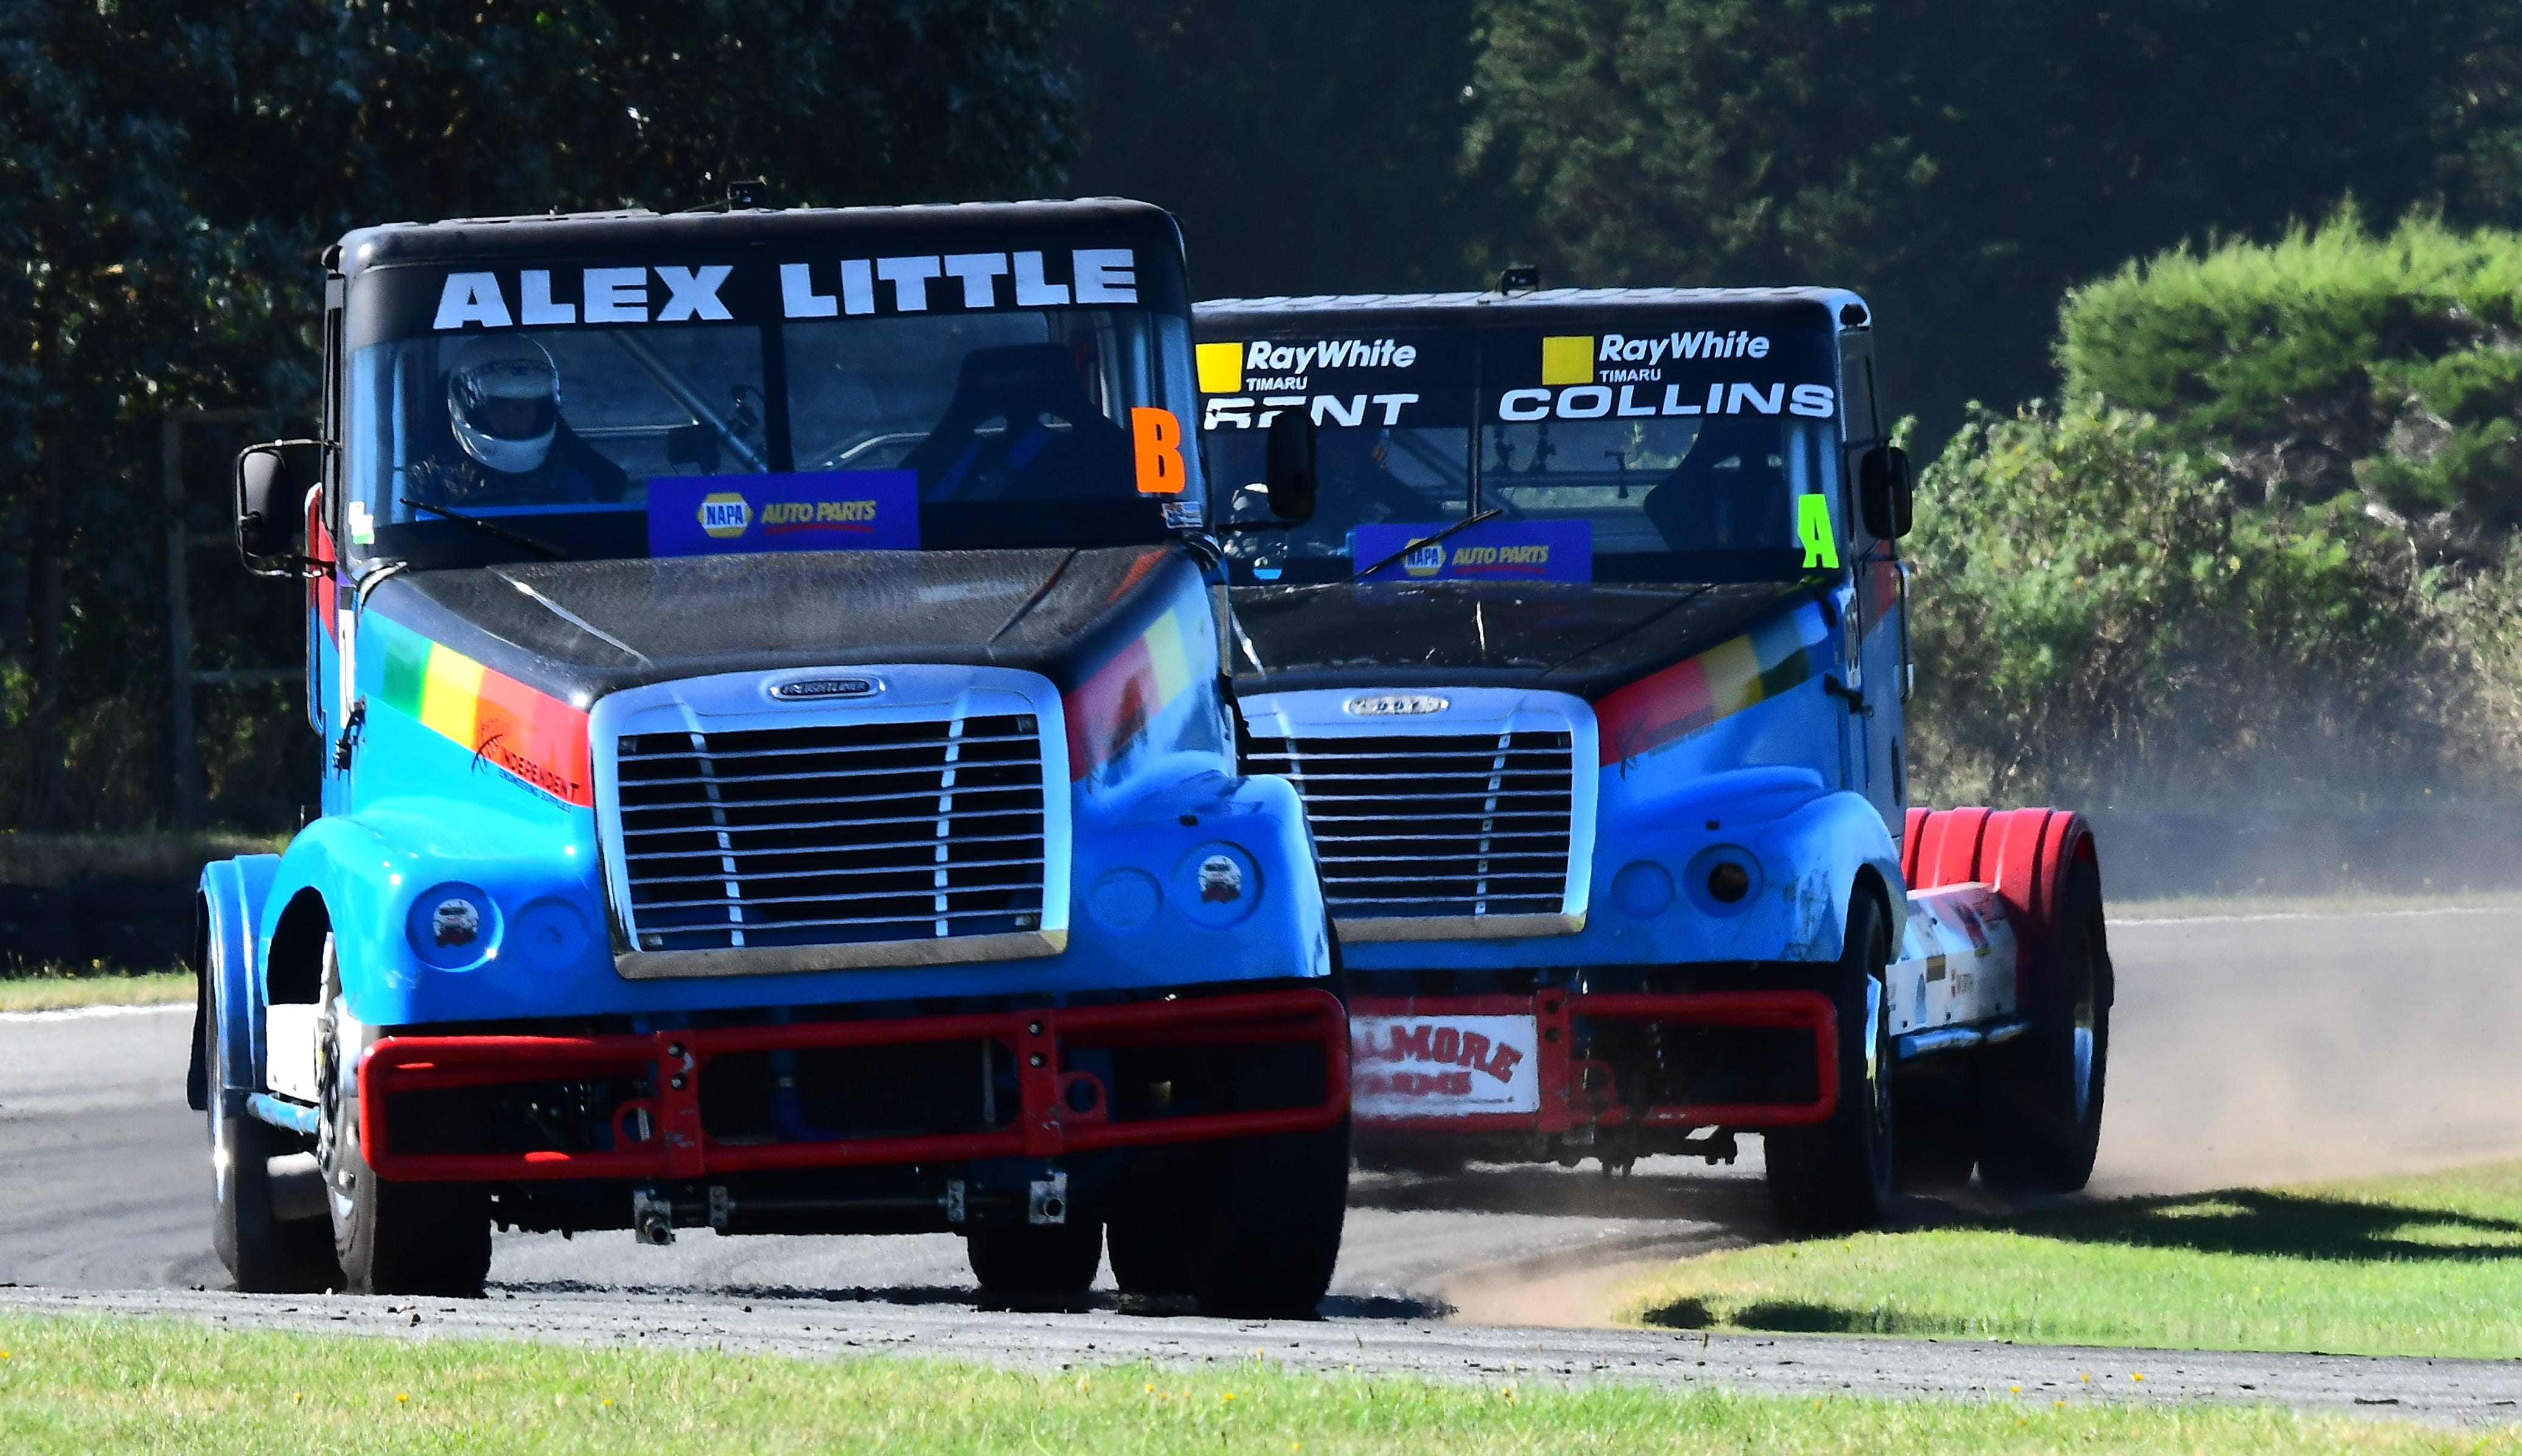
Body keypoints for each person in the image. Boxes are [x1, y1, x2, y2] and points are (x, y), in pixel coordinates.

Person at [405, 335, 628, 509]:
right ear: (468, 407)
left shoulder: (575, 478)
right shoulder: (426, 481)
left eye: (526, 406)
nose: (514, 418)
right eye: (499, 406)